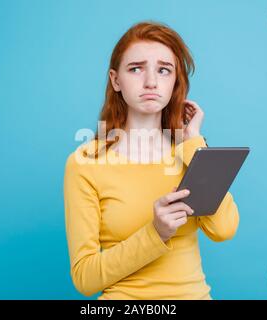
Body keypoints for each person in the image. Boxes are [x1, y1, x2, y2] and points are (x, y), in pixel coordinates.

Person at [63, 21, 240, 300]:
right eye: (136, 68)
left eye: (163, 70)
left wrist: (193, 144)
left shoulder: (189, 151)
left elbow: (224, 229)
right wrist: (155, 233)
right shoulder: (85, 162)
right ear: (115, 80)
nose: (151, 82)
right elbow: (85, 279)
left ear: (174, 82)